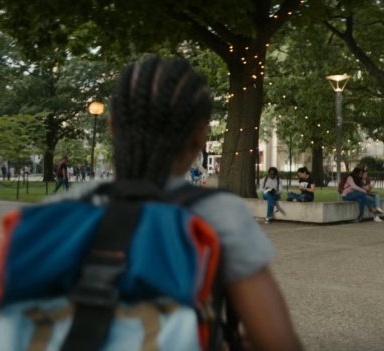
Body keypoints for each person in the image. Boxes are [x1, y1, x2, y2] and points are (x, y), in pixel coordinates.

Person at [42, 57, 301, 349]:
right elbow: (278, 341)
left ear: (112, 126)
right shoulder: (219, 214)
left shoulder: (59, 208)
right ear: (201, 136)